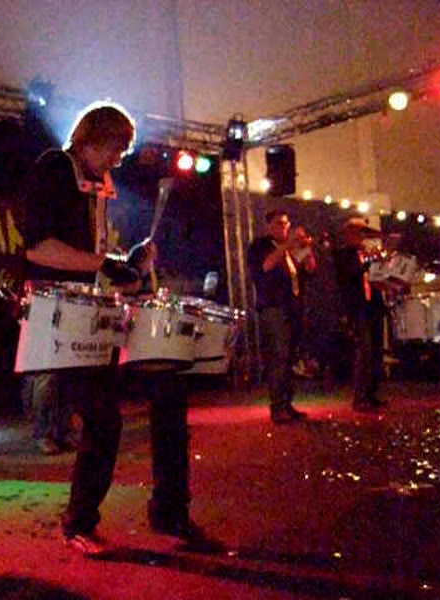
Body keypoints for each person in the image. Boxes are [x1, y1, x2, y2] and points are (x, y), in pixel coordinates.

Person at [22, 102, 213, 555]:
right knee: (103, 420)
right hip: (64, 316)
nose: (118, 159)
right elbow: (38, 249)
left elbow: (101, 265)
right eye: (115, 148)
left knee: (169, 394)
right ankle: (78, 523)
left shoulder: (97, 186)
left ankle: (170, 511)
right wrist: (104, 263)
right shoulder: (55, 167)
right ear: (91, 138)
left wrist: (132, 263)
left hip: (98, 313)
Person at [248, 210, 317, 423]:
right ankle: (277, 407)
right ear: (269, 226)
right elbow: (266, 266)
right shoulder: (260, 246)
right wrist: (287, 245)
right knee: (278, 356)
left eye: (287, 223)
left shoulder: (289, 249)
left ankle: (287, 403)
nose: (284, 227)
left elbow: (311, 269)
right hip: (273, 308)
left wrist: (306, 249)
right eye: (279, 223)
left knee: (289, 358)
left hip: (291, 307)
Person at [333, 217, 388, 412]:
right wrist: (370, 260)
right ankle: (360, 397)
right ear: (349, 233)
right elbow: (351, 274)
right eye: (358, 232)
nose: (361, 236)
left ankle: (371, 394)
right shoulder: (343, 254)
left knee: (377, 351)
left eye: (363, 232)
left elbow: (376, 278)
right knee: (365, 351)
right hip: (358, 308)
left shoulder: (365, 252)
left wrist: (381, 263)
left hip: (373, 306)